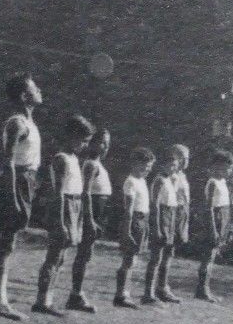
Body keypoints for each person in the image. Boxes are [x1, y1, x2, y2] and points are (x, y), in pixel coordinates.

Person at [0, 74, 44, 320]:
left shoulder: (29, 122)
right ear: (24, 96)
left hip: (26, 181)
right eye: (35, 88)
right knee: (5, 243)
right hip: (15, 183)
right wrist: (12, 196)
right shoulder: (17, 123)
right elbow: (6, 161)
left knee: (9, 243)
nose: (40, 91)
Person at [32, 115, 94, 315]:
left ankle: (48, 299)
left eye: (87, 141)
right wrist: (60, 222)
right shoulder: (61, 159)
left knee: (61, 258)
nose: (85, 145)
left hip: (74, 206)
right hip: (63, 207)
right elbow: (58, 193)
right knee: (54, 256)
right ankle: (42, 301)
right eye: (82, 140)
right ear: (71, 136)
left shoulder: (75, 159)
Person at [66, 127, 112, 313]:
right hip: (91, 213)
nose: (105, 147)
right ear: (92, 143)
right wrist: (90, 219)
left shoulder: (99, 165)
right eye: (102, 142)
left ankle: (77, 293)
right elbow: (85, 193)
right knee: (83, 254)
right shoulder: (91, 165)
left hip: (100, 213)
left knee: (87, 254)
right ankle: (76, 294)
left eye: (108, 143)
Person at [111, 147, 157, 308]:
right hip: (134, 221)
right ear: (135, 164)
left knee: (133, 259)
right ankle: (121, 295)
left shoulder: (142, 181)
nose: (147, 170)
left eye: (150, 168)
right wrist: (127, 230)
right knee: (128, 259)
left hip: (143, 220)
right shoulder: (130, 181)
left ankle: (125, 293)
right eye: (144, 167)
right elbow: (128, 210)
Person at [194, 148, 233, 302]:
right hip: (214, 220)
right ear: (217, 166)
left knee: (212, 256)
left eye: (230, 168)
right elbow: (209, 208)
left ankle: (205, 288)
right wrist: (213, 228)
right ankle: (202, 289)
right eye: (227, 167)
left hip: (223, 217)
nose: (229, 171)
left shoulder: (223, 182)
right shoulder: (212, 183)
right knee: (208, 255)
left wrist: (227, 225)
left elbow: (226, 206)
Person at [143, 146, 183, 304]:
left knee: (166, 256)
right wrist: (158, 228)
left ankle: (161, 289)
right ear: (161, 165)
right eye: (170, 165)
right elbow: (156, 205)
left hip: (170, 218)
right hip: (162, 220)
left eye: (175, 165)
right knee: (156, 258)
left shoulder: (170, 180)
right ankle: (148, 293)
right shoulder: (159, 180)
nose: (173, 168)